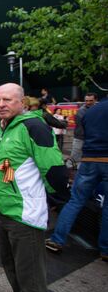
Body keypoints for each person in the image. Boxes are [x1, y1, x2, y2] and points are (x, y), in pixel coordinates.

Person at [0, 83, 68, 292]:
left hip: (25, 216)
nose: (1, 104)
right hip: (4, 211)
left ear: (22, 102)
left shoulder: (33, 126)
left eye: (8, 100)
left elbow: (53, 168)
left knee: (31, 280)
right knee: (13, 269)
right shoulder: (4, 127)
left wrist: (59, 199)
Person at [45, 98, 108, 262]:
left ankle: (56, 239)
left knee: (75, 201)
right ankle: (105, 249)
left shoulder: (91, 111)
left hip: (89, 159)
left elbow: (82, 135)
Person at [70, 93, 98, 166]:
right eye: (86, 100)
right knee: (74, 158)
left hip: (92, 138)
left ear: (95, 100)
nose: (88, 102)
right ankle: (69, 173)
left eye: (91, 100)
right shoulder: (81, 111)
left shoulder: (98, 109)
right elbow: (84, 126)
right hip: (80, 138)